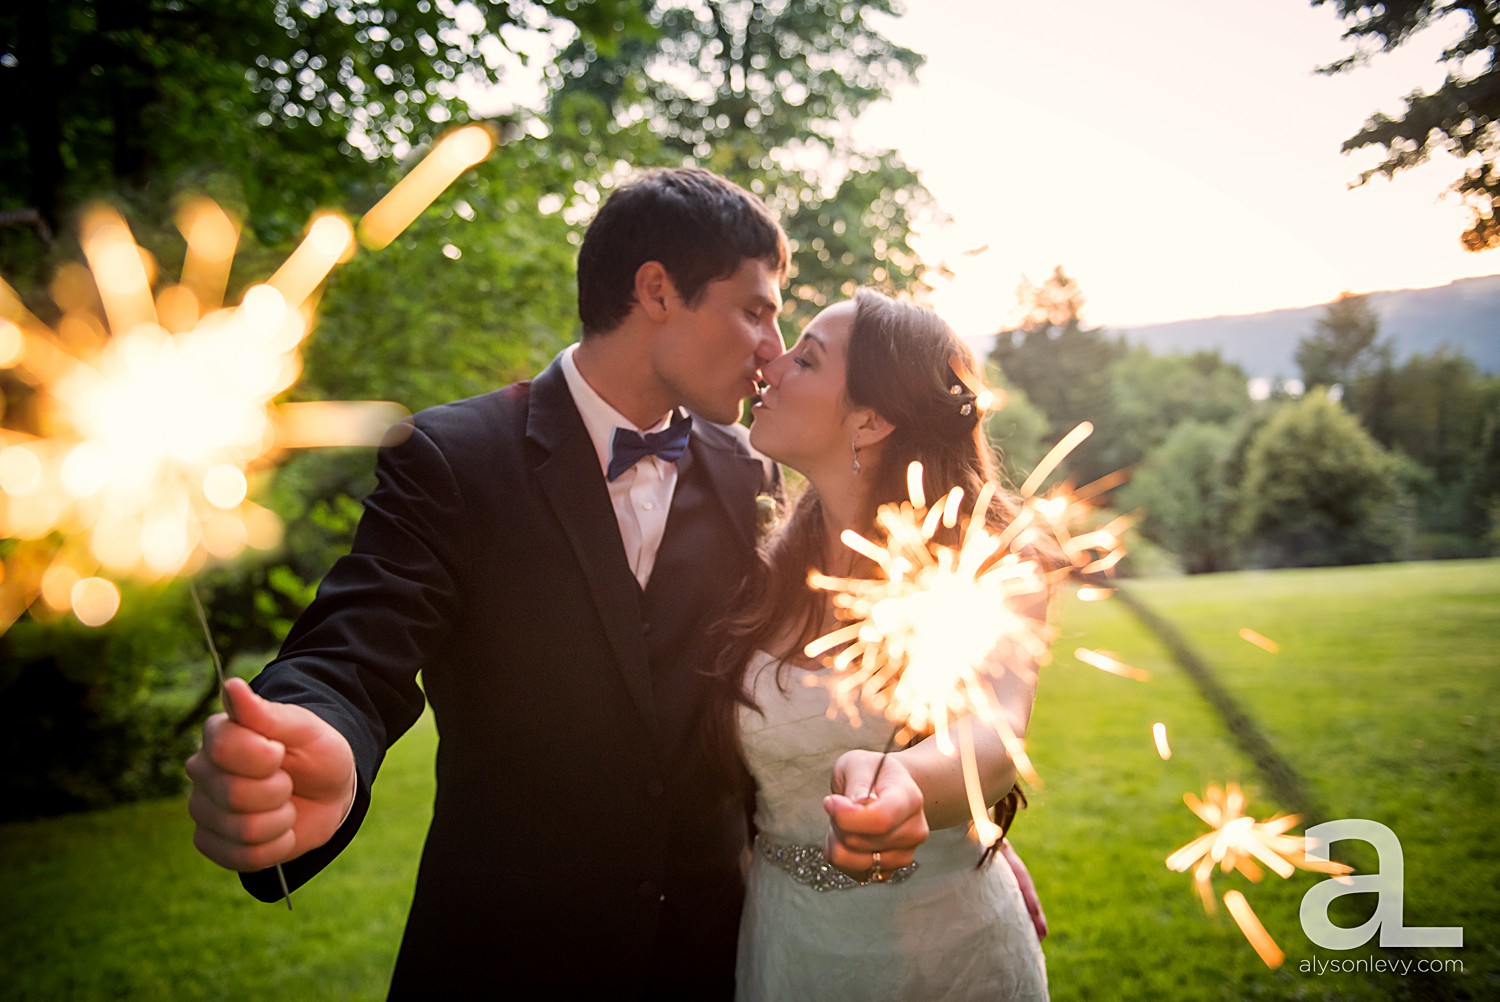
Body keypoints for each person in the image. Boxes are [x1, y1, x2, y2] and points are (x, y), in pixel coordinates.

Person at [184, 167, 927, 997]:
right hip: (509, 957)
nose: (770, 347)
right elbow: (353, 650)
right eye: (755, 309)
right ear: (657, 291)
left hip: (710, 958)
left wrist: (952, 852)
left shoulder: (751, 472)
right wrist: (316, 735)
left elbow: (832, 668)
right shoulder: (452, 457)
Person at [712, 288, 1051, 1000]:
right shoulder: (764, 566)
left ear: (869, 419)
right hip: (786, 948)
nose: (771, 364)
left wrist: (907, 782)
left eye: (805, 359)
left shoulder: (989, 566)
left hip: (950, 957)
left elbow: (991, 728)